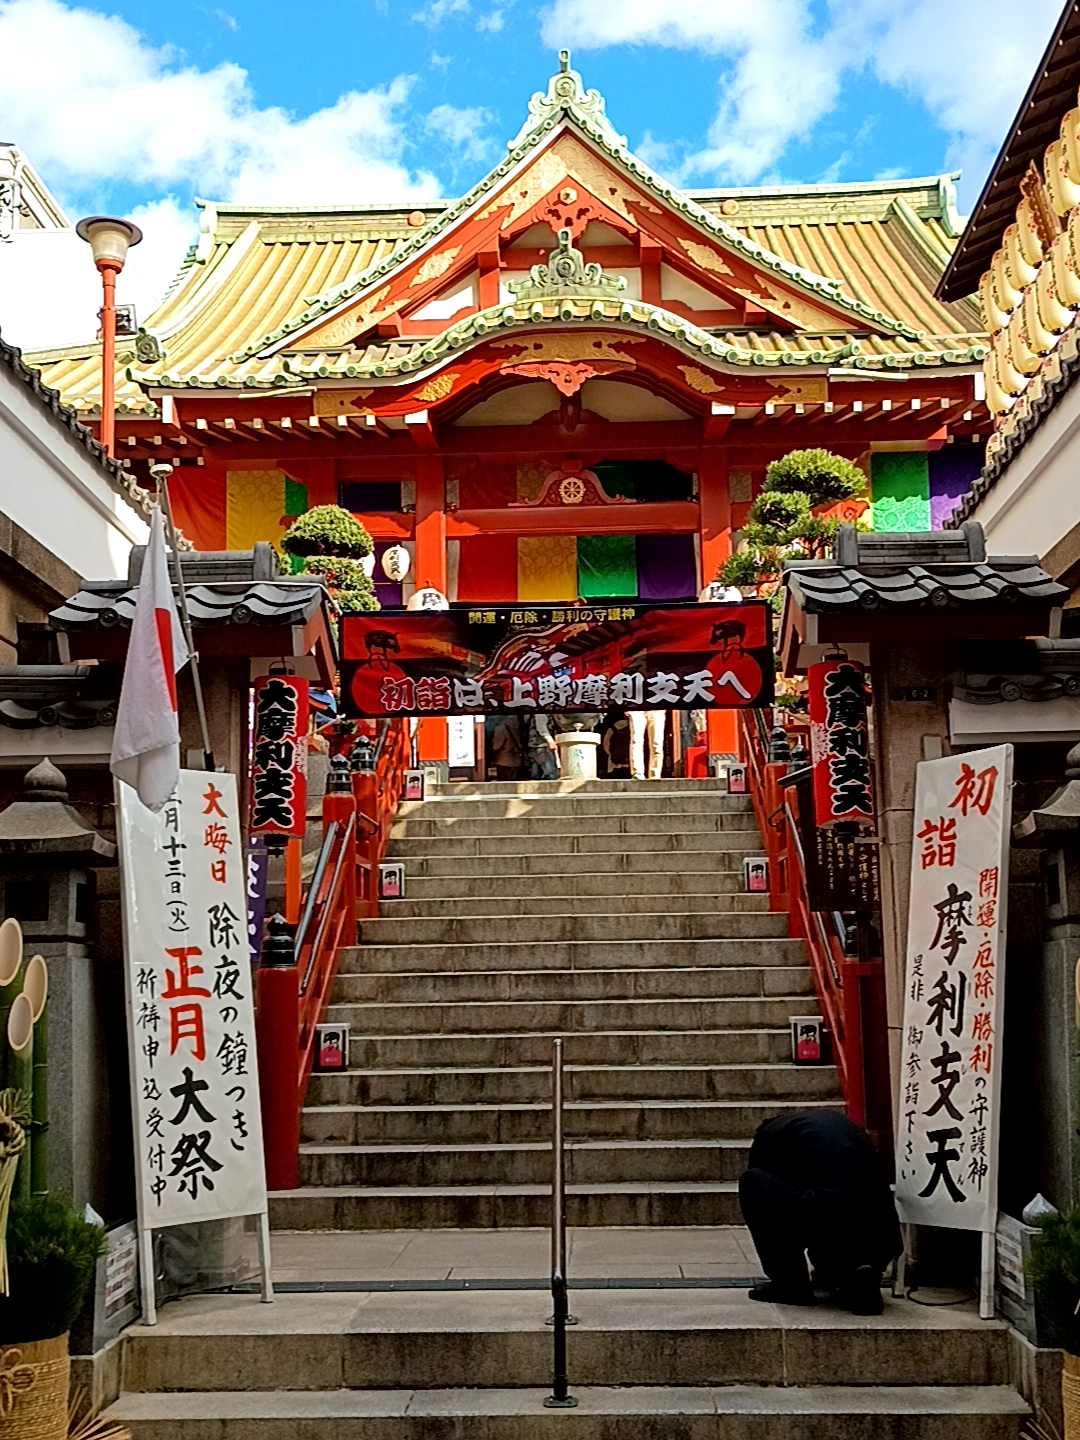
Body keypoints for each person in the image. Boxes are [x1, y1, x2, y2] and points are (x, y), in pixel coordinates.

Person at [738, 1110, 902, 1315]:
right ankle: (855, 1274)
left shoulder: (771, 1133)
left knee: (754, 1184)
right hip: (882, 1232)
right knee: (835, 1196)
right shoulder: (839, 1125)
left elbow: (774, 1202)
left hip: (829, 1219)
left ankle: (790, 1285)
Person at [629, 709, 666, 780]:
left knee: (656, 744)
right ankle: (637, 773)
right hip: (637, 709)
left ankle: (655, 774)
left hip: (656, 709)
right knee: (636, 741)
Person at [490, 716, 524, 780]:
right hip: (517, 761)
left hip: (504, 761)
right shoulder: (520, 726)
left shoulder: (501, 728)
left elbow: (496, 746)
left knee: (504, 783)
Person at [526, 712, 559, 780]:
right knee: (551, 773)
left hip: (535, 746)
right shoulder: (541, 714)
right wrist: (550, 741)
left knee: (536, 774)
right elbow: (541, 728)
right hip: (542, 746)